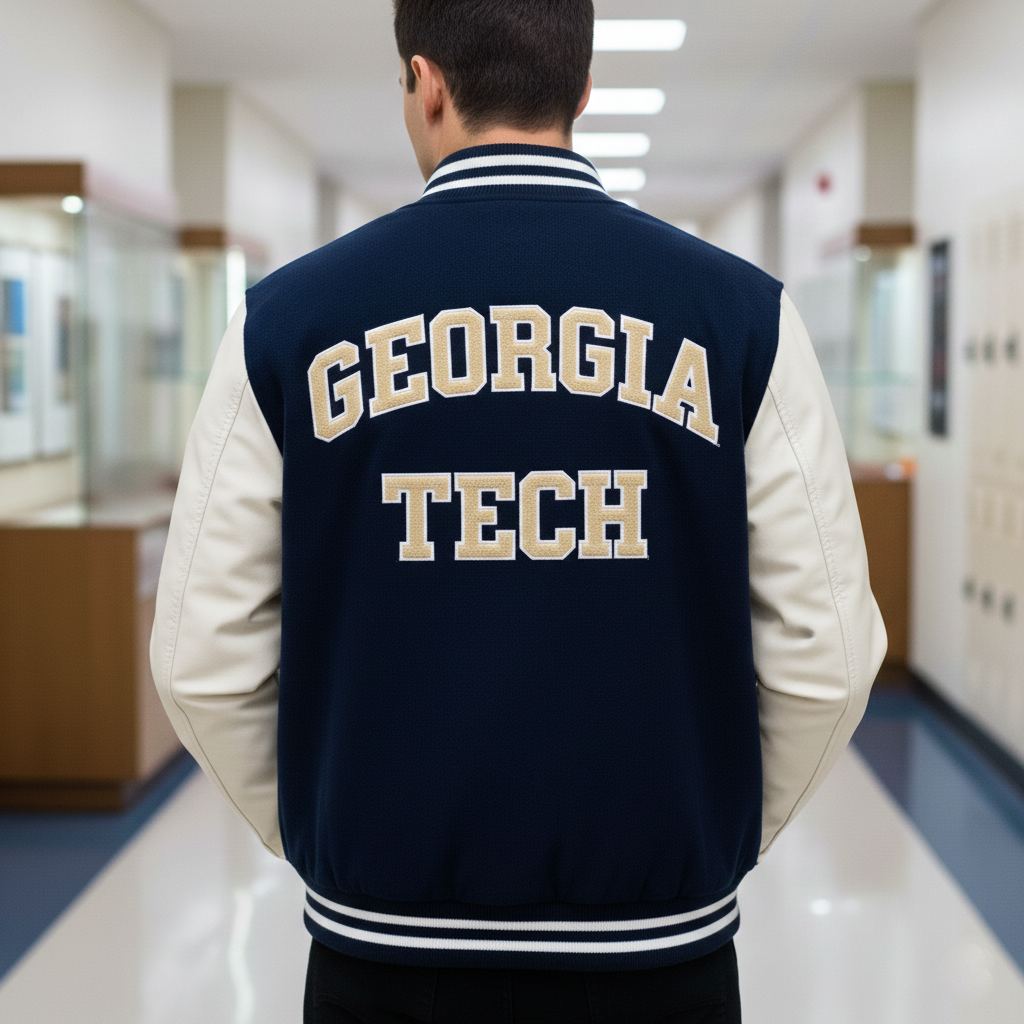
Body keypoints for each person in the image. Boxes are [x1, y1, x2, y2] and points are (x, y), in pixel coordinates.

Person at [151, 1, 887, 1020]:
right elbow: (828, 656)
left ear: (424, 84)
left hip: (384, 957)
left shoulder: (284, 323)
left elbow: (200, 658)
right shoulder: (740, 316)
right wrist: (700, 836)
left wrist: (339, 833)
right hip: (656, 958)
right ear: (583, 88)